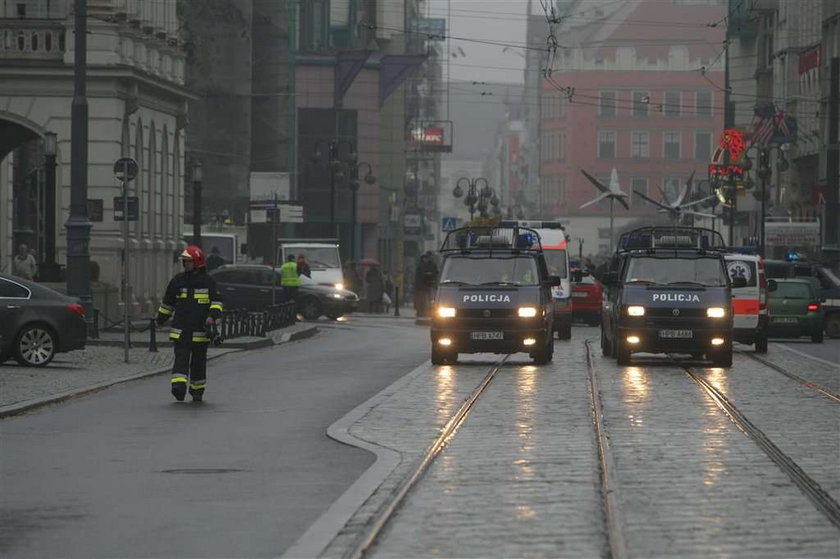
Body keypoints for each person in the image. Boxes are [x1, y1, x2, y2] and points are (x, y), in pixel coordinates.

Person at [155, 245, 224, 402]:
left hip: (201, 330)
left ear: (197, 262)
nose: (185, 264)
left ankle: (197, 390)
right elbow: (168, 303)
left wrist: (212, 316)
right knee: (181, 360)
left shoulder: (208, 282)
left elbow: (217, 302)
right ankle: (178, 388)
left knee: (198, 364)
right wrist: (161, 319)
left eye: (188, 261)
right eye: (184, 261)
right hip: (182, 330)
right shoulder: (177, 281)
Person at [414, 251, 438, 317]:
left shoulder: (432, 265)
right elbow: (418, 277)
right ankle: (421, 313)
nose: (426, 259)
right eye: (425, 258)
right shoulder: (420, 266)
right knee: (422, 300)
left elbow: (436, 274)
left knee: (429, 300)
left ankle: (428, 312)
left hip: (429, 285)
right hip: (422, 286)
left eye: (427, 257)